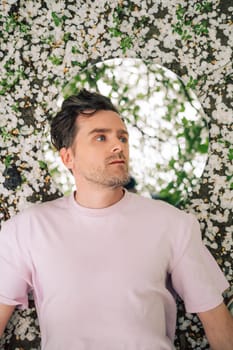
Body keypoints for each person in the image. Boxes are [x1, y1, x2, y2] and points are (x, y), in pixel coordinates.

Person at [0, 89, 232, 350]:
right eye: (101, 137)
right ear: (68, 157)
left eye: (122, 137)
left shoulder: (173, 224)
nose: (118, 145)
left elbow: (217, 324)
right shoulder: (27, 229)